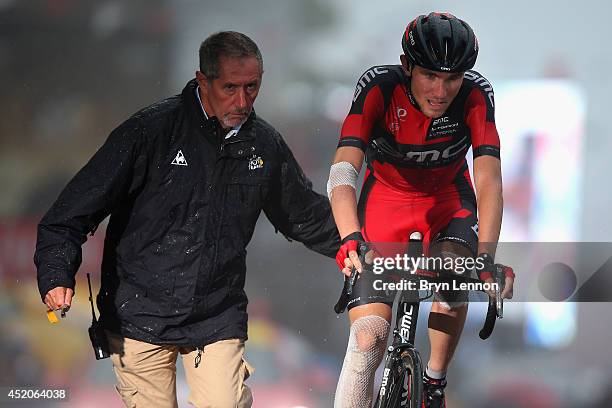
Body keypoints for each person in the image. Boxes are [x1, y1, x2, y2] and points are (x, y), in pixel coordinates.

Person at [35, 31, 339, 408]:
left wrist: (364, 244)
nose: (242, 100)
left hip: (216, 315)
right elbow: (70, 213)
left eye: (252, 87)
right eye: (230, 87)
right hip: (138, 315)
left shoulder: (264, 144)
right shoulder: (149, 132)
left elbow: (306, 216)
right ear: (202, 81)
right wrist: (55, 273)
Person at [327, 13, 515, 408]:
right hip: (386, 205)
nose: (442, 90)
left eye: (453, 78)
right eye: (430, 75)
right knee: (369, 339)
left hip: (448, 203)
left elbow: (489, 183)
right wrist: (350, 238)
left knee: (455, 271)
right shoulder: (379, 87)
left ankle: (434, 382)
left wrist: (486, 257)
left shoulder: (477, 95)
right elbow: (343, 173)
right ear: (407, 65)